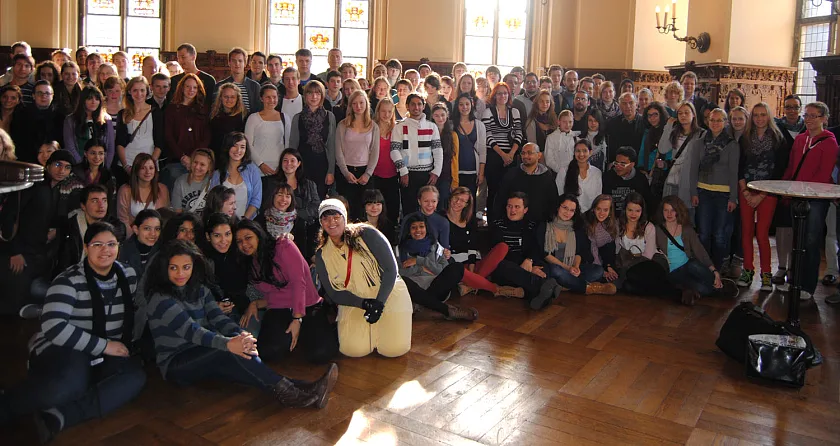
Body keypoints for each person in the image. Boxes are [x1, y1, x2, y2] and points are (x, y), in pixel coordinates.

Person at [145, 239, 338, 408]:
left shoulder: (200, 290)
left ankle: (306, 389)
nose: (180, 273)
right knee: (232, 350)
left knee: (247, 362)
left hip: (204, 353)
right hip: (177, 364)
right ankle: (294, 396)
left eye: (186, 267)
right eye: (174, 268)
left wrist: (240, 335)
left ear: (194, 267)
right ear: (164, 268)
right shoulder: (160, 298)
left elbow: (219, 319)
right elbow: (192, 332)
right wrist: (229, 343)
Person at [0, 222, 145, 443]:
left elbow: (140, 308)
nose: (105, 250)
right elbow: (54, 327)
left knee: (135, 377)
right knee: (69, 385)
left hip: (104, 353)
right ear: (86, 248)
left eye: (111, 244)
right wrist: (105, 346)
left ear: (118, 247)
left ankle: (59, 417)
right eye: (97, 244)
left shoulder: (129, 276)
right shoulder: (68, 280)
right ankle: (7, 405)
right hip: (63, 347)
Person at [314, 199, 413, 358]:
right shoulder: (322, 255)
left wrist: (379, 303)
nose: (331, 222)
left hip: (387, 292)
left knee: (394, 350)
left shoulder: (366, 233)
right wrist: (364, 303)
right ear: (321, 222)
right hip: (355, 300)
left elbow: (391, 269)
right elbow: (333, 292)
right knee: (353, 350)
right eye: (325, 218)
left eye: (336, 216)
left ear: (344, 217)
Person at [235, 220, 339, 363]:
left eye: (248, 237)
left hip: (306, 304)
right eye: (239, 241)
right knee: (269, 352)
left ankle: (316, 330)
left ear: (258, 235)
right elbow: (274, 295)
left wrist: (297, 319)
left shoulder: (283, 245)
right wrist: (256, 303)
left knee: (321, 354)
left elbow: (298, 283)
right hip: (279, 308)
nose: (244, 244)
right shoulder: (250, 264)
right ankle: (299, 336)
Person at [780, 102, 838, 301]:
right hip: (796, 195)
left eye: (814, 116)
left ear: (824, 118)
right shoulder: (800, 139)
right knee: (797, 241)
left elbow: (823, 175)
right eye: (807, 115)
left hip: (815, 199)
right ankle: (793, 281)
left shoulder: (830, 143)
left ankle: (807, 285)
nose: (810, 119)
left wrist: (806, 193)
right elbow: (792, 165)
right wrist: (786, 187)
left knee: (811, 242)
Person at [736, 102, 784, 291]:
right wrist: (746, 192)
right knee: (746, 232)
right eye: (756, 115)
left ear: (769, 116)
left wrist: (761, 195)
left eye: (763, 115)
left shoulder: (778, 138)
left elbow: (778, 170)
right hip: (746, 190)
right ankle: (747, 270)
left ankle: (766, 274)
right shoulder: (745, 138)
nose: (759, 118)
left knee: (762, 234)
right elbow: (739, 166)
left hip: (768, 192)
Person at [397, 213, 478, 320]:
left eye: (421, 226)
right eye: (413, 228)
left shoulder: (436, 247)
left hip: (436, 288)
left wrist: (420, 261)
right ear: (408, 230)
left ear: (426, 228)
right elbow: (398, 274)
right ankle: (447, 310)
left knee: (457, 267)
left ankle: (421, 305)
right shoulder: (399, 250)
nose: (418, 230)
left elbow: (442, 270)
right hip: (414, 289)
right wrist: (421, 269)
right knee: (404, 281)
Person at [446, 187, 524, 298]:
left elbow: (472, 246)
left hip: (474, 264)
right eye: (456, 198)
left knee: (503, 247)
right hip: (455, 265)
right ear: (450, 198)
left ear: (467, 204)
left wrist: (472, 271)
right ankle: (498, 290)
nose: (458, 202)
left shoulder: (470, 220)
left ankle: (472, 284)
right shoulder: (442, 219)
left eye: (463, 200)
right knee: (459, 271)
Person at [490, 192, 562, 309]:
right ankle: (542, 286)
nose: (512, 210)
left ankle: (536, 295)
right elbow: (502, 252)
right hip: (507, 266)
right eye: (509, 206)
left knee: (545, 267)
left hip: (526, 263)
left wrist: (530, 260)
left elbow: (535, 248)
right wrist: (526, 266)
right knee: (503, 266)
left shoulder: (531, 226)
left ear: (525, 210)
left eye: (517, 207)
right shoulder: (497, 225)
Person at [691, 108, 740, 271]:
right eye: (712, 120)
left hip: (723, 194)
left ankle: (719, 267)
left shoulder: (732, 145)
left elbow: (734, 173)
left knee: (719, 235)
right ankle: (706, 266)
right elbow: (693, 169)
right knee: (703, 233)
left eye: (719, 120)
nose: (715, 123)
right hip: (703, 192)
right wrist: (693, 192)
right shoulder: (699, 143)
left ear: (725, 123)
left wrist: (733, 197)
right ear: (707, 121)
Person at [538, 194, 616, 295]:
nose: (567, 212)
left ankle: (564, 285)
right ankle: (589, 288)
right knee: (555, 270)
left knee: (598, 270)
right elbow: (545, 255)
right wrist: (567, 268)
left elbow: (579, 252)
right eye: (565, 208)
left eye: (572, 210)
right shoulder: (545, 226)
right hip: (555, 267)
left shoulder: (576, 228)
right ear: (558, 206)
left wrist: (576, 267)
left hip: (571, 268)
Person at [656, 195, 722, 305]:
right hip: (672, 272)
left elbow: (700, 251)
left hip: (688, 267)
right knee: (705, 289)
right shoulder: (658, 230)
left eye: (673, 210)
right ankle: (717, 287)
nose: (669, 214)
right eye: (666, 210)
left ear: (678, 211)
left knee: (694, 265)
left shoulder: (686, 229)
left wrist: (714, 271)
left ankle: (716, 281)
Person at [391, 94, 443, 215]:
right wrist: (403, 171)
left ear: (424, 106)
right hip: (407, 175)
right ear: (407, 106)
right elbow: (394, 151)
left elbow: (437, 150)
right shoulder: (400, 127)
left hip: (427, 175)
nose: (416, 107)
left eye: (419, 104)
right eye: (413, 104)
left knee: (428, 210)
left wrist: (436, 172)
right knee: (409, 210)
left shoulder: (432, 127)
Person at [56, 184, 126, 272]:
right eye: (95, 201)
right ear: (83, 206)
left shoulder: (116, 227)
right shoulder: (70, 227)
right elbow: (64, 261)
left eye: (104, 200)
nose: (101, 205)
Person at [771, 94, 803, 288]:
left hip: (803, 185)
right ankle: (782, 266)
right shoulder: (777, 128)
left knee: (799, 228)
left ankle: (794, 268)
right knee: (783, 227)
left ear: (800, 109)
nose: (792, 110)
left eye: (795, 107)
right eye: (788, 107)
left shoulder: (808, 129)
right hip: (781, 183)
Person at [163, 73, 211, 190]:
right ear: (182, 88)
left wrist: (194, 157)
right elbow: (168, 136)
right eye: (188, 87)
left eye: (195, 87)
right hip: (177, 160)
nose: (191, 90)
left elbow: (207, 135)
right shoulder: (172, 109)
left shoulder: (203, 109)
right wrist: (182, 157)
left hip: (198, 161)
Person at [335, 90, 379, 219]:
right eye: (354, 103)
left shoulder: (373, 126)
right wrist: (345, 172)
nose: (358, 106)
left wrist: (368, 173)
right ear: (350, 106)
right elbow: (338, 151)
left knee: (364, 212)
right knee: (347, 211)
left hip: (365, 173)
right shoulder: (343, 125)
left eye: (361, 103)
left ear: (366, 104)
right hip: (346, 172)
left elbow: (375, 152)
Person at [289, 81, 337, 199]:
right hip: (302, 166)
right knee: (302, 199)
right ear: (305, 96)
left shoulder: (329, 116)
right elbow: (293, 146)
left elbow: (331, 146)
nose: (314, 97)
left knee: (320, 199)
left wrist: (331, 171)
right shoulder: (297, 118)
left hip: (322, 165)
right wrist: (292, 171)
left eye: (317, 93)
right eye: (310, 93)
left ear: (322, 96)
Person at [658, 101, 705, 221]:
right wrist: (668, 127)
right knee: (671, 213)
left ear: (693, 114)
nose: (683, 115)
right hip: (673, 178)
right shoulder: (675, 132)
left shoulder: (702, 134)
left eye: (686, 112)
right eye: (680, 113)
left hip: (689, 180)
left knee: (687, 216)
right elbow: (662, 149)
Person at [482, 82, 524, 213]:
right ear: (494, 95)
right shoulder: (488, 112)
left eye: (505, 93)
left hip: (512, 157)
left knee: (509, 191)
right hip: (494, 156)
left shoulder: (515, 112)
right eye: (499, 93)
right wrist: (503, 154)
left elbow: (519, 133)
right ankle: (492, 222)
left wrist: (511, 154)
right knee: (494, 191)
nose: (502, 96)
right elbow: (487, 136)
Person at [494, 142, 559, 223]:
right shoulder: (512, 174)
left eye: (529, 153)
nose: (525, 156)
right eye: (523, 153)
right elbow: (501, 198)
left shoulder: (546, 176)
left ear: (539, 155)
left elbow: (553, 201)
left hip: (540, 224)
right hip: (514, 223)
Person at [202, 213, 249, 318]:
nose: (224, 240)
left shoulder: (241, 252)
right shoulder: (201, 260)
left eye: (227, 234)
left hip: (244, 308)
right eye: (217, 235)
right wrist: (213, 306)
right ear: (208, 236)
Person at [116, 77, 161, 183]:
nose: (139, 94)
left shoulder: (155, 112)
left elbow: (159, 142)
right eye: (135, 90)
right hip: (128, 163)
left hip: (149, 166)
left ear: (147, 91)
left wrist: (150, 166)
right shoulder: (123, 113)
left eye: (142, 90)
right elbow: (120, 142)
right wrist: (126, 166)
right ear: (129, 92)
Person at [209, 131, 263, 220]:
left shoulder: (252, 170)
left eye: (242, 147)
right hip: (223, 224)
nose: (238, 150)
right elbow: (213, 202)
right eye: (234, 145)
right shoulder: (217, 174)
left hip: (246, 223)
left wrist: (244, 220)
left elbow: (256, 200)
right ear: (227, 147)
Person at [9, 80, 62, 164]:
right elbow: (17, 140)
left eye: (47, 93)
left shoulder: (60, 116)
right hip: (26, 160)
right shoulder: (21, 115)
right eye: (39, 93)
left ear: (52, 96)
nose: (43, 96)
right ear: (33, 96)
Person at [117, 153, 170, 236]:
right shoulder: (125, 190)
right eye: (143, 168)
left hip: (156, 237)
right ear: (136, 170)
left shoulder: (163, 189)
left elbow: (165, 218)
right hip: (133, 236)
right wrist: (135, 239)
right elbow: (123, 220)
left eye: (151, 168)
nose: (148, 172)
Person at [64, 85, 115, 165]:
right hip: (78, 166)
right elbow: (70, 147)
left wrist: (105, 167)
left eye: (97, 99)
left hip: (100, 168)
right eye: (89, 98)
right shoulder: (70, 120)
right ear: (83, 100)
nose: (93, 102)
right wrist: (81, 166)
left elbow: (110, 147)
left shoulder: (106, 120)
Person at [246, 84, 287, 177]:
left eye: (274, 97)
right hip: (257, 168)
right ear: (261, 98)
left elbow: (287, 143)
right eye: (268, 97)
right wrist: (260, 164)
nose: (271, 100)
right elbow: (248, 144)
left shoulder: (285, 118)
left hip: (279, 168)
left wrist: (282, 165)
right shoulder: (253, 118)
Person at [371, 99, 401, 225]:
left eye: (389, 111)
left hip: (393, 175)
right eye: (383, 111)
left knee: (392, 210)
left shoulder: (397, 128)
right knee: (375, 210)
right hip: (375, 175)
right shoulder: (371, 127)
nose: (386, 114)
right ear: (378, 111)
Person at [452, 93, 487, 200]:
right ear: (457, 106)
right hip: (455, 172)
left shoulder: (479, 125)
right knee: (455, 201)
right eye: (461, 104)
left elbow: (482, 151)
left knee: (470, 202)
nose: (464, 107)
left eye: (467, 104)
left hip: (472, 171)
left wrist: (481, 173)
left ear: (472, 105)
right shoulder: (451, 124)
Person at [601, 146, 652, 215]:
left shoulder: (641, 179)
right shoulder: (607, 177)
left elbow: (646, 203)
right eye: (616, 163)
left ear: (632, 164)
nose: (618, 167)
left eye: (622, 164)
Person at [213, 47, 262, 114]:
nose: (237, 64)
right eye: (234, 61)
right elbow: (216, 110)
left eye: (240, 61)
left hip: (249, 123)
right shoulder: (220, 86)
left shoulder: (255, 86)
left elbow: (258, 111)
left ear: (245, 63)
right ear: (229, 63)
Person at [74, 139, 117, 210]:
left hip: (101, 217)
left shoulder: (109, 176)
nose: (97, 157)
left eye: (101, 153)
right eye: (93, 153)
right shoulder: (75, 173)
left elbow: (112, 204)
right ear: (85, 153)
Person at [429, 103, 458, 207]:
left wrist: (455, 181)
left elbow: (455, 159)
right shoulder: (428, 132)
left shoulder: (452, 135)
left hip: (446, 176)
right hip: (430, 174)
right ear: (432, 116)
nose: (440, 118)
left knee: (443, 205)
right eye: (436, 115)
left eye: (442, 115)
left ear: (447, 115)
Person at [118, 209, 161, 278]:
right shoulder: (122, 251)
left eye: (157, 229)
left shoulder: (162, 250)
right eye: (147, 228)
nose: (153, 234)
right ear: (136, 229)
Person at [209, 83, 247, 158]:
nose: (229, 100)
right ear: (220, 98)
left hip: (235, 156)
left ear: (237, 98)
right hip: (216, 155)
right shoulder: (213, 115)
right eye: (226, 97)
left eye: (232, 97)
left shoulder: (244, 116)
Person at [171, 148, 214, 214]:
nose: (197, 167)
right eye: (195, 162)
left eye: (202, 164)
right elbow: (177, 212)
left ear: (209, 167)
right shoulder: (180, 182)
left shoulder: (213, 182)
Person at [607, 92, 644, 163]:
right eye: (624, 103)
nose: (628, 106)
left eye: (631, 103)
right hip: (618, 164)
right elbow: (611, 148)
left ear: (636, 105)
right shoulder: (612, 123)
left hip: (638, 164)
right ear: (620, 106)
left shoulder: (644, 123)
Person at [544, 110, 579, 175]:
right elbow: (549, 159)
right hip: (557, 173)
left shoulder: (576, 138)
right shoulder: (551, 138)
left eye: (570, 122)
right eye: (564, 122)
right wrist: (560, 171)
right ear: (559, 122)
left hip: (574, 173)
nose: (567, 125)